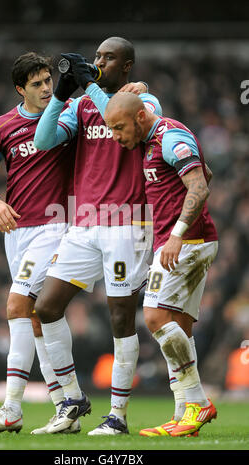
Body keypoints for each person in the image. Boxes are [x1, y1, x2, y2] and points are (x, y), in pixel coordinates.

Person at [32, 37, 162, 435]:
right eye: (96, 57)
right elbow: (42, 141)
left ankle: (118, 416)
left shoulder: (147, 102)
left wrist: (90, 85)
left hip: (127, 223)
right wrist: (62, 97)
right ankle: (71, 401)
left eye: (108, 58)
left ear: (127, 66)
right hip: (84, 223)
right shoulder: (82, 104)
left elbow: (119, 118)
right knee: (47, 307)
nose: (99, 62)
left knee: (121, 317)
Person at [0, 52, 80, 434]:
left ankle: (11, 407)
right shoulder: (2, 125)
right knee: (34, 320)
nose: (47, 88)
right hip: (16, 232)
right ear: (21, 89)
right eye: (37, 84)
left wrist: (139, 89)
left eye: (48, 80)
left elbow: (105, 104)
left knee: (16, 305)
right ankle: (66, 406)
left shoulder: (67, 115)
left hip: (54, 226)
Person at [103, 91, 218, 437]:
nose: (117, 137)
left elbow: (200, 186)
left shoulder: (171, 137)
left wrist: (178, 233)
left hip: (188, 244)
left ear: (139, 118)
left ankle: (197, 401)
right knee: (179, 328)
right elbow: (206, 172)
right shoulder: (148, 138)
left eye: (120, 128)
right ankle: (185, 414)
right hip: (185, 242)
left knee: (153, 316)